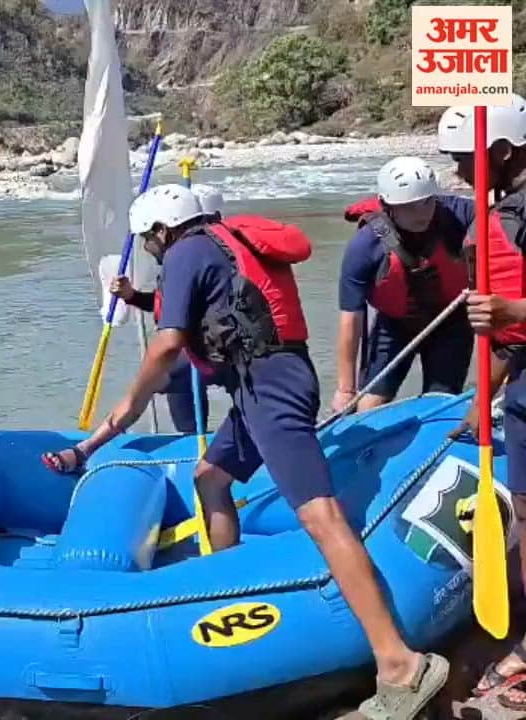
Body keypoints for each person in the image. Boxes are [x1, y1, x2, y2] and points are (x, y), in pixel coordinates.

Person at [43, 185, 448, 718]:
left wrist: (118, 417)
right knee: (210, 477)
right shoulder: (216, 241)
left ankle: (399, 664)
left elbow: (167, 344)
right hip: (265, 383)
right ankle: (231, 578)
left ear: (163, 230)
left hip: (268, 387)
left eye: (149, 242)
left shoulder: (185, 250)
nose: (151, 252)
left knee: (322, 517)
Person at [441, 95, 526, 710]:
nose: (457, 172)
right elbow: (510, 338)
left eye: (463, 158)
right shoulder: (503, 216)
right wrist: (484, 397)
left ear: (498, 150)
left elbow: (512, 316)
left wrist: (510, 309)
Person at [334, 157, 474, 414]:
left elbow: (503, 216)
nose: (421, 213)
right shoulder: (364, 247)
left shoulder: (457, 215)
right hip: (394, 326)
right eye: (409, 207)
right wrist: (345, 389)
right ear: (387, 206)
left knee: (439, 401)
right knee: (369, 405)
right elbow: (351, 318)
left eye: (427, 202)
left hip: (451, 323)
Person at [107, 183, 224, 433]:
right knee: (177, 371)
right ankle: (192, 435)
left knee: (169, 372)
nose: (145, 247)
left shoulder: (199, 255)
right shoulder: (193, 255)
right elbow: (174, 304)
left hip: (224, 350)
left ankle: (195, 436)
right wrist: (132, 296)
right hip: (207, 347)